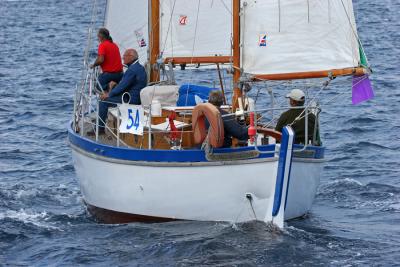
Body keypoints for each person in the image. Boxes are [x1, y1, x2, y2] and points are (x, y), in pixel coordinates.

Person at [97, 48, 147, 132]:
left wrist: (109, 94)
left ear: (131, 57)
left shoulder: (132, 70)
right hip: (136, 97)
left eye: (124, 56)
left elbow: (122, 87)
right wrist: (116, 85)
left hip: (131, 99)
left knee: (103, 102)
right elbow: (127, 84)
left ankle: (99, 130)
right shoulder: (140, 67)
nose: (123, 58)